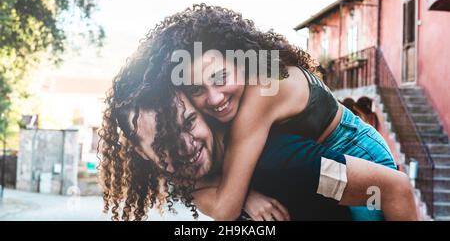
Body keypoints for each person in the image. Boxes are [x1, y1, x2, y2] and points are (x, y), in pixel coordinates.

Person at [98, 39, 418, 221]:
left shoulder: (283, 158)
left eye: (189, 124)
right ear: (143, 153)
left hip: (359, 153)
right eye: (164, 143)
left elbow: (391, 189)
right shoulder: (191, 173)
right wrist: (245, 196)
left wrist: (240, 196)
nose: (184, 149)